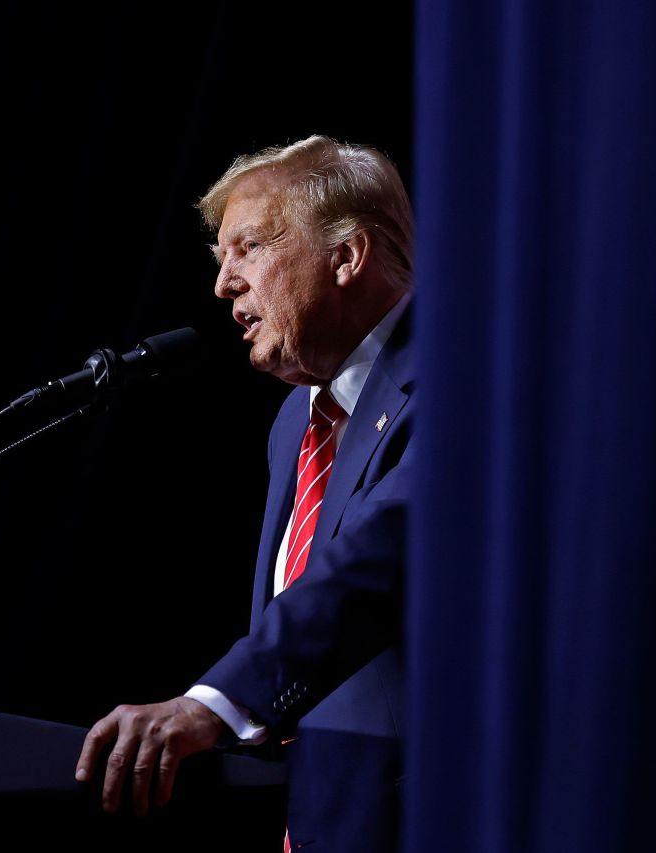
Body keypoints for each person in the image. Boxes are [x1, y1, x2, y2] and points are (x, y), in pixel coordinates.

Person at [75, 136, 414, 853]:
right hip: (309, 815)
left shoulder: (456, 376)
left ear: (347, 256)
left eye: (248, 248)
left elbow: (373, 567)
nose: (224, 284)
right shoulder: (297, 417)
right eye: (220, 259)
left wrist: (216, 704)